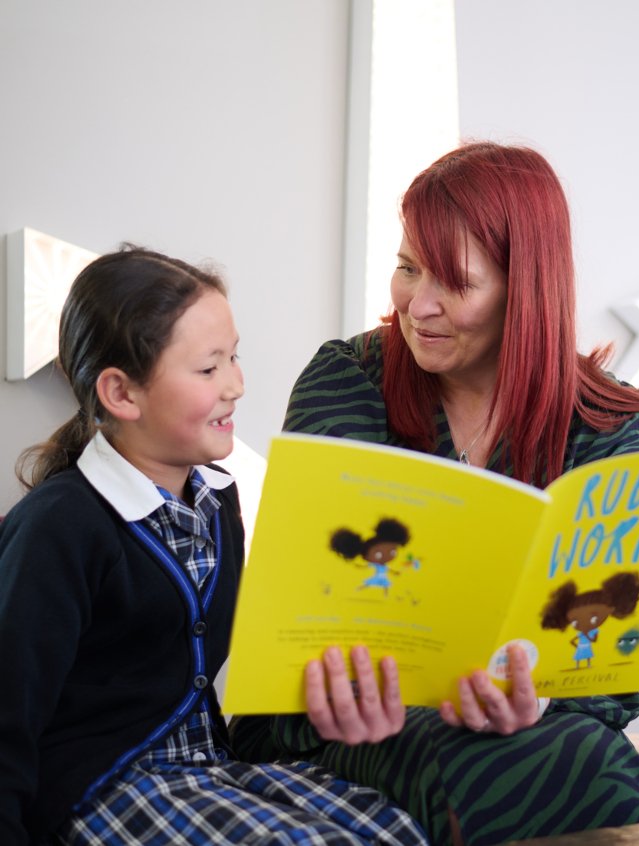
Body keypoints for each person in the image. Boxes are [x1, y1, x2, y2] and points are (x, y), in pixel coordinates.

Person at [231, 141, 639, 845]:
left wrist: (535, 699)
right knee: (507, 766)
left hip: (536, 724)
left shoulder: (607, 424)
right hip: (334, 718)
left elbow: (605, 672)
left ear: (524, 289)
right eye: (407, 268)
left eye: (455, 282)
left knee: (588, 757)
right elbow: (303, 602)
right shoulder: (348, 378)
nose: (416, 305)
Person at [0, 247, 428, 846]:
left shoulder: (217, 505)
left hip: (207, 766)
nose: (237, 384)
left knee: (395, 828)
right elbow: (8, 713)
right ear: (122, 394)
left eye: (235, 357)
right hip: (104, 787)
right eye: (208, 369)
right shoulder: (60, 527)